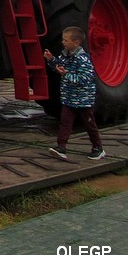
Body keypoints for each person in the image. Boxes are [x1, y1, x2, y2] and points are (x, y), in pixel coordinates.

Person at [44, 26, 106, 160]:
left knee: (89, 124)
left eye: (66, 40)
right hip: (69, 98)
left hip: (83, 99)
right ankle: (61, 147)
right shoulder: (65, 55)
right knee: (65, 122)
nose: (63, 42)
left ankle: (98, 147)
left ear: (76, 42)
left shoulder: (83, 59)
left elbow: (84, 79)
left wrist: (65, 75)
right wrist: (51, 60)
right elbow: (59, 65)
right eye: (63, 40)